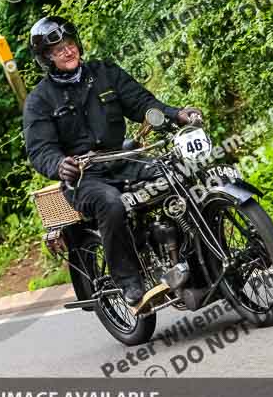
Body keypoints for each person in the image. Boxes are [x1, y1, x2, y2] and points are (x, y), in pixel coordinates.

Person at [22, 16, 202, 307]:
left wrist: (175, 113)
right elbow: (40, 149)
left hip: (123, 159)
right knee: (110, 203)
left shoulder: (105, 73)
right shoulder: (40, 100)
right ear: (46, 58)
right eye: (58, 49)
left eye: (70, 45)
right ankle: (128, 281)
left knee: (177, 173)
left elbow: (142, 104)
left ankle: (195, 256)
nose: (68, 52)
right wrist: (60, 165)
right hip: (83, 178)